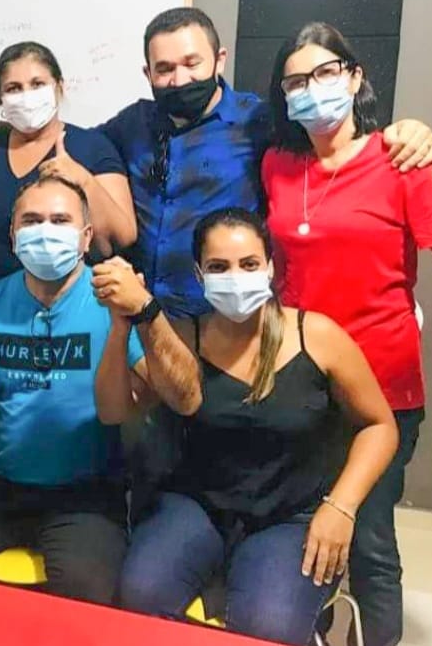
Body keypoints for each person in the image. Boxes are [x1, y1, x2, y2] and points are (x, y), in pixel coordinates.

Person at [0, 9, 432, 318]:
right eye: (164, 69)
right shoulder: (131, 124)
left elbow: (331, 139)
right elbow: (65, 137)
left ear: (219, 59)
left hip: (229, 317)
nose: (180, 79)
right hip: (144, 317)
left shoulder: (259, 121)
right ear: (148, 73)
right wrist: (3, 127)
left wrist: (405, 129)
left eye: (192, 63)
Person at [261, 22, 432, 646]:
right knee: (299, 525)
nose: (311, 89)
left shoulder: (402, 162)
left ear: (355, 76)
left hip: (381, 390)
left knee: (365, 536)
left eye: (325, 73)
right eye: (295, 82)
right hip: (300, 381)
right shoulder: (277, 164)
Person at [0, 176, 200, 605]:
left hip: (85, 493)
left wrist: (146, 311)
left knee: (85, 599)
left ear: (86, 237)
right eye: (31, 220)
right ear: (13, 234)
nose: (45, 231)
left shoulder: (111, 297)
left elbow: (184, 397)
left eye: (60, 220)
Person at [108, 207, 397, 645]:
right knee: (139, 595)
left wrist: (341, 507)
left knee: (269, 629)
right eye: (218, 267)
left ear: (270, 267)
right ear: (199, 274)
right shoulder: (182, 338)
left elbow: (379, 426)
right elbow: (123, 405)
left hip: (290, 515)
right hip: (198, 505)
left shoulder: (318, 336)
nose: (235, 278)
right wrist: (124, 326)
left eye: (248, 264)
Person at [0, 41, 137, 310]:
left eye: (37, 84)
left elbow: (122, 237)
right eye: (13, 88)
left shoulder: (92, 147)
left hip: (72, 314)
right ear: (0, 97)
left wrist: (83, 180)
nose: (26, 96)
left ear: (59, 87)